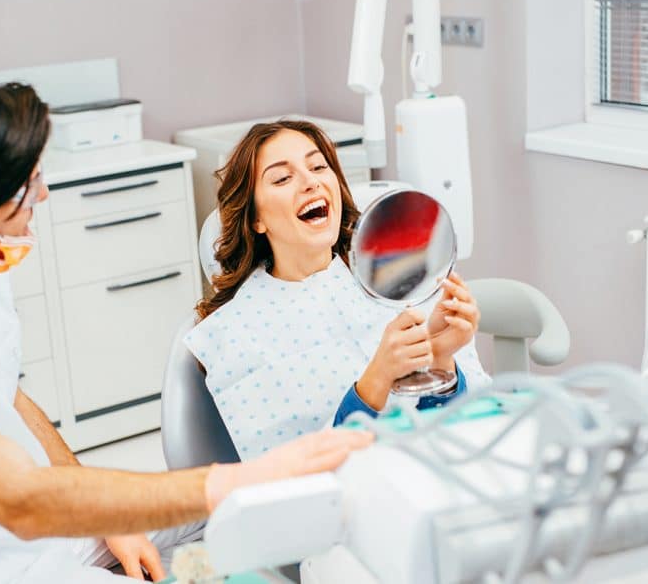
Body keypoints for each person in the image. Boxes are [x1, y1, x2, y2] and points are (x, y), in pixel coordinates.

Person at [0, 82, 372, 584]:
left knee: (243, 527)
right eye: (25, 188)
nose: (41, 198)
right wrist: (240, 480)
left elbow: (4, 393)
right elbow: (20, 501)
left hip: (56, 524)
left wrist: (113, 519)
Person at [185, 120, 491, 458]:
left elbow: (466, 433)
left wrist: (439, 359)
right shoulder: (235, 333)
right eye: (282, 178)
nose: (311, 181)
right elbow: (289, 481)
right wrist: (377, 378)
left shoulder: (401, 279)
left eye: (318, 166)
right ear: (256, 219)